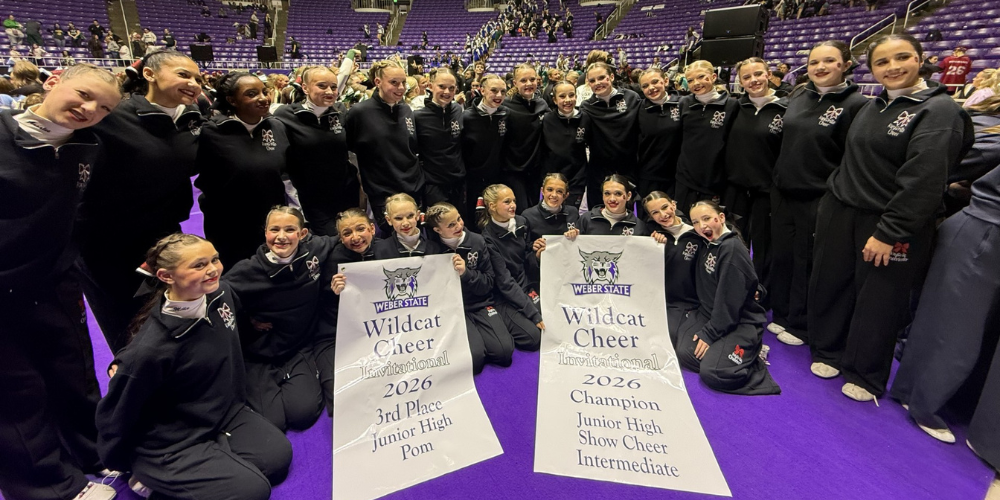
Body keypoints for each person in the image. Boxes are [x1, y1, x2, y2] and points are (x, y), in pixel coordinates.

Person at [808, 34, 974, 402]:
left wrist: (890, 231)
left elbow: (924, 181)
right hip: (843, 208)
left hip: (889, 221)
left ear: (920, 59)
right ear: (872, 69)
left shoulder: (940, 111)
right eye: (882, 62)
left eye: (902, 58)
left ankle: (865, 373)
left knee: (879, 299)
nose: (893, 67)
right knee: (832, 282)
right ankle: (828, 350)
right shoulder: (874, 105)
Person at [0, 63, 122, 500]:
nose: (90, 110)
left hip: (54, 281)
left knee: (74, 372)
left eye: (104, 108)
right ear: (53, 82)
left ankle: (94, 452)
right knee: (17, 392)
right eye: (85, 95)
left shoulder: (86, 147)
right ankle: (48, 487)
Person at [96, 234, 293, 500]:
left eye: (214, 259)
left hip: (221, 414)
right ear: (166, 276)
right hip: (170, 440)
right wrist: (119, 458)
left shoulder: (221, 294)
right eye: (199, 265)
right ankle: (149, 473)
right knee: (253, 491)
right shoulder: (150, 351)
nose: (213, 269)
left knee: (277, 459)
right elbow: (116, 412)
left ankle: (212, 458)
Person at [77, 50, 206, 354]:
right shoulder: (110, 117)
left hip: (164, 236)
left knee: (165, 316)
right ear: (149, 74)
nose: (193, 83)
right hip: (108, 243)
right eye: (183, 75)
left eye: (198, 78)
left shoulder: (191, 120)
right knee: (125, 326)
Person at [890, 94, 1000, 443]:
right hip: (985, 231)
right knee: (957, 329)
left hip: (981, 228)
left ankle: (936, 397)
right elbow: (944, 163)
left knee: (967, 329)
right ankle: (922, 401)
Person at [768, 40, 867, 347]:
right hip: (784, 190)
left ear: (845, 64)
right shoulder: (799, 94)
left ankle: (802, 323)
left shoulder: (856, 105)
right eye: (814, 63)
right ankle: (782, 314)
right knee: (782, 255)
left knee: (807, 261)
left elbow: (852, 157)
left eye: (829, 61)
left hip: (818, 196)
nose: (820, 68)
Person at [224, 207, 330, 431]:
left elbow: (344, 237)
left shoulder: (314, 252)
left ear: (302, 234)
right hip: (259, 354)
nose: (281, 236)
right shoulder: (246, 271)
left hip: (299, 348)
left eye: (289, 229)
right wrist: (247, 321)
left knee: (303, 414)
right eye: (274, 229)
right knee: (274, 423)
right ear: (265, 233)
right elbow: (219, 299)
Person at [675, 201, 781, 395]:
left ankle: (751, 354)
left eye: (707, 218)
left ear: (721, 218)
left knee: (715, 373)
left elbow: (730, 303)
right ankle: (722, 350)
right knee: (685, 354)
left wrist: (710, 334)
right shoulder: (705, 241)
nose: (702, 226)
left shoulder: (730, 248)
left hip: (740, 321)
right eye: (696, 222)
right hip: (711, 315)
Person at [196, 72, 290, 267]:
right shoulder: (212, 131)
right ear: (232, 100)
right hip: (229, 225)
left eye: (265, 92)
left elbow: (285, 172)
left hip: (270, 220)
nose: (263, 98)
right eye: (252, 94)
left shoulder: (277, 127)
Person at [723, 57, 786, 301]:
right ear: (740, 81)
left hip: (767, 193)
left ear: (769, 74)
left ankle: (761, 292)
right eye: (746, 77)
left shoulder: (786, 108)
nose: (753, 80)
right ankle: (735, 287)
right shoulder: (736, 107)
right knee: (736, 243)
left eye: (758, 74)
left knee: (763, 248)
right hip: (737, 190)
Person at [426, 202, 515, 374]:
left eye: (459, 219)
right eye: (451, 225)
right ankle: (476, 342)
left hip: (481, 303)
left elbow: (489, 282)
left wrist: (466, 273)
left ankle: (483, 337)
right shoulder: (432, 249)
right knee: (475, 360)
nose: (459, 226)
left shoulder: (477, 241)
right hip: (453, 309)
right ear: (438, 230)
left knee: (504, 353)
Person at [274, 65, 360, 236]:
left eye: (334, 87)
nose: (329, 91)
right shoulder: (286, 115)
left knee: (351, 238)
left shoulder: (340, 111)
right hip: (312, 198)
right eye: (322, 86)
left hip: (345, 193)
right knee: (330, 240)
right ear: (305, 87)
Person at [346, 60, 423, 234]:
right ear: (378, 82)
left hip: (413, 188)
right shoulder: (359, 113)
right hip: (382, 192)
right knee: (392, 242)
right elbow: (351, 150)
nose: (401, 87)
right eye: (394, 82)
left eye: (403, 82)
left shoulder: (406, 110)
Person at [319, 209, 382, 411]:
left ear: (372, 228)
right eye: (347, 233)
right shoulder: (333, 260)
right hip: (337, 331)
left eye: (360, 229)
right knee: (342, 398)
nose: (355, 237)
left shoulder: (388, 250)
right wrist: (333, 292)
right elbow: (320, 300)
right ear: (340, 238)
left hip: (379, 327)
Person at [478, 184, 545, 352]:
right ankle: (503, 319)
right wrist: (533, 314)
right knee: (533, 337)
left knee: (552, 322)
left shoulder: (522, 222)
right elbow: (505, 282)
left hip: (526, 286)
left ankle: (525, 310)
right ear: (492, 206)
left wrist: (536, 252)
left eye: (514, 200)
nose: (513, 205)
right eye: (507, 201)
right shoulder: (487, 239)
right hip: (504, 296)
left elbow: (526, 254)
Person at [674, 60, 739, 211]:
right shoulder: (684, 103)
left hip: (714, 179)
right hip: (685, 178)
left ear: (713, 77)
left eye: (701, 77)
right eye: (690, 80)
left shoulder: (731, 105)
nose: (696, 83)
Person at [581, 61, 640, 209]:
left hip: (629, 168)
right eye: (592, 80)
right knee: (598, 217)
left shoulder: (631, 98)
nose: (597, 83)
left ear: (611, 77)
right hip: (599, 171)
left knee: (627, 216)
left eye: (601, 78)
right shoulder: (586, 107)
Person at [644, 192, 701, 345]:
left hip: (691, 303)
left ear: (673, 205)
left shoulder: (697, 233)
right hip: (663, 301)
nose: (663, 215)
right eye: (655, 212)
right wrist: (653, 247)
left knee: (678, 341)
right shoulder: (650, 235)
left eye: (665, 207)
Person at [414, 68, 467, 219]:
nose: (447, 92)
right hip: (433, 183)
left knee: (459, 224)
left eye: (452, 88)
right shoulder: (418, 117)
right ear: (430, 86)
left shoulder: (457, 110)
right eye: (442, 87)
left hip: (458, 180)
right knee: (438, 227)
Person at [502, 63, 549, 211]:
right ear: (515, 83)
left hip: (535, 169)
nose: (529, 84)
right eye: (523, 81)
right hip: (513, 170)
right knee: (520, 211)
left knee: (534, 209)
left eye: (532, 80)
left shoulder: (542, 104)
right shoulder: (505, 106)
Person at [461, 74, 509, 220]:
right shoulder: (466, 117)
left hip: (497, 177)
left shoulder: (506, 114)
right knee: (472, 216)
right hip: (472, 179)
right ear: (482, 91)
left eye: (503, 91)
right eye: (494, 91)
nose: (498, 95)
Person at [540, 81, 588, 208]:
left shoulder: (585, 118)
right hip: (553, 179)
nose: (567, 100)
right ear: (555, 100)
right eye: (562, 96)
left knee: (571, 214)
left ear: (576, 97)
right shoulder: (546, 120)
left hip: (577, 179)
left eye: (571, 95)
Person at [636, 66, 682, 198]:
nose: (651, 88)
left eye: (655, 82)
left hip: (677, 176)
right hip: (648, 176)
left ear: (666, 81)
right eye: (645, 86)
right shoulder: (638, 109)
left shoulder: (682, 104)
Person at [567, 174, 648, 236]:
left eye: (618, 194)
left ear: (628, 196)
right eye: (607, 193)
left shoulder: (639, 226)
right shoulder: (586, 219)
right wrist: (571, 238)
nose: (612, 199)